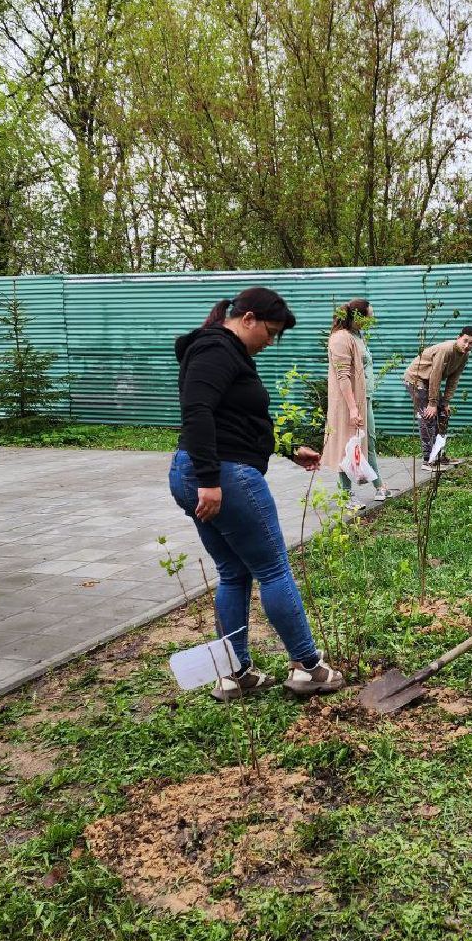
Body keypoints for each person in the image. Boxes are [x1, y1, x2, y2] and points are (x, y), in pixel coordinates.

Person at [168, 286, 345, 700]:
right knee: (274, 569)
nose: (271, 341)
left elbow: (236, 421)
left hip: (209, 471)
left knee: (233, 572)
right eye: (270, 331)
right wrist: (210, 480)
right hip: (222, 475)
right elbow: (197, 412)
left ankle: (235, 674)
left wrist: (286, 448)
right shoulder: (215, 348)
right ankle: (308, 667)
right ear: (247, 318)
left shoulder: (224, 351)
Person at [323, 298, 389, 506]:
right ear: (358, 316)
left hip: (363, 398)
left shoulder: (358, 334)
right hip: (347, 402)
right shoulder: (340, 338)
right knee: (346, 445)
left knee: (368, 442)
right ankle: (346, 495)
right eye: (370, 316)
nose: (372, 320)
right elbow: (342, 376)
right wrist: (352, 408)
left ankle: (379, 485)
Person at [402, 326, 472, 468]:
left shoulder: (465, 355)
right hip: (416, 379)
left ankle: (439, 456)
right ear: (458, 338)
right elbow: (435, 375)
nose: (467, 345)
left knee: (443, 414)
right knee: (428, 417)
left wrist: (445, 402)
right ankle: (428, 460)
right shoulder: (446, 349)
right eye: (465, 341)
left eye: (471, 343)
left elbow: (454, 379)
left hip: (429, 381)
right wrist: (432, 403)